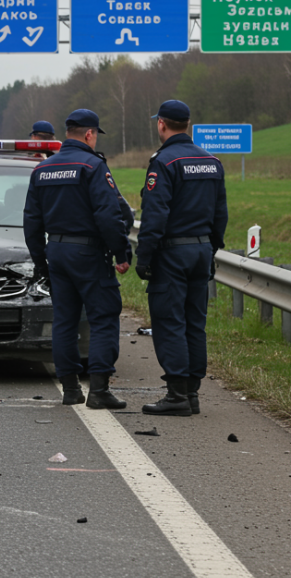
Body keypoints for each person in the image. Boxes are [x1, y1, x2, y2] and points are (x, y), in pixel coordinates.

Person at [23, 109, 131, 410]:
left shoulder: (42, 170)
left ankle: (70, 389)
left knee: (65, 321)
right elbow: (109, 215)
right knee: (103, 317)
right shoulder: (93, 166)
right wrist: (121, 253)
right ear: (89, 134)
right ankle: (99, 390)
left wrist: (41, 262)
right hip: (89, 253)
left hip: (56, 252)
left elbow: (31, 221)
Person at [135, 100, 228, 417]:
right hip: (201, 250)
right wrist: (210, 249)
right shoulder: (212, 162)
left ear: (161, 124)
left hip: (172, 253)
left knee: (169, 322)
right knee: (194, 323)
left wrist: (144, 256)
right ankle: (192, 393)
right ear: (187, 124)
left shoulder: (163, 162)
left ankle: (176, 395)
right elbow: (220, 215)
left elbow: (155, 215)